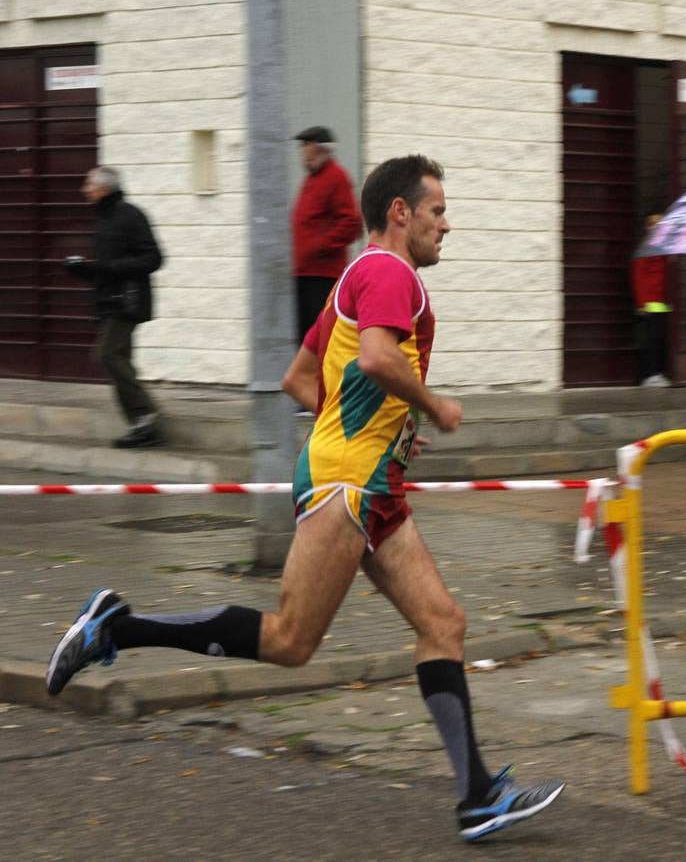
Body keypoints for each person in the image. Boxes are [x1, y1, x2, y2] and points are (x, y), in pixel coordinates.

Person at [45, 155, 565, 843]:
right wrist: (431, 405)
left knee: (444, 623)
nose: (447, 224)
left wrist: (375, 422)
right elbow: (379, 359)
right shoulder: (388, 272)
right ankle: (116, 626)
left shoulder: (353, 277)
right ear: (401, 213)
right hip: (348, 483)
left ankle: (476, 797)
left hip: (364, 479)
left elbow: (299, 378)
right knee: (292, 640)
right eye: (438, 210)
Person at [66, 166, 166, 448]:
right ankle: (143, 426)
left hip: (127, 301)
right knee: (119, 360)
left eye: (88, 184)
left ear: (103, 188)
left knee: (107, 355)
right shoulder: (106, 217)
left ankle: (146, 417)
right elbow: (107, 265)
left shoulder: (130, 215)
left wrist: (104, 268)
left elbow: (153, 259)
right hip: (109, 300)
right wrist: (84, 270)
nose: (84, 190)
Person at [291, 125, 363, 346]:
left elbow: (352, 223)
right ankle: (308, 380)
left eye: (307, 146)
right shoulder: (311, 180)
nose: (303, 152)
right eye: (302, 147)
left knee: (320, 340)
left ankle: (322, 380)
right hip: (304, 273)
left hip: (323, 276)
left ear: (321, 149)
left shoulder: (336, 177)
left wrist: (319, 246)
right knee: (305, 339)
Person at [633, 213, 672, 387]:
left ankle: (659, 372)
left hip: (665, 300)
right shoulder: (645, 248)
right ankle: (651, 374)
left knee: (662, 338)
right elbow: (638, 277)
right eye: (652, 224)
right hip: (651, 301)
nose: (655, 226)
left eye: (659, 223)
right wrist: (641, 303)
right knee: (653, 338)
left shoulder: (665, 246)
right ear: (646, 227)